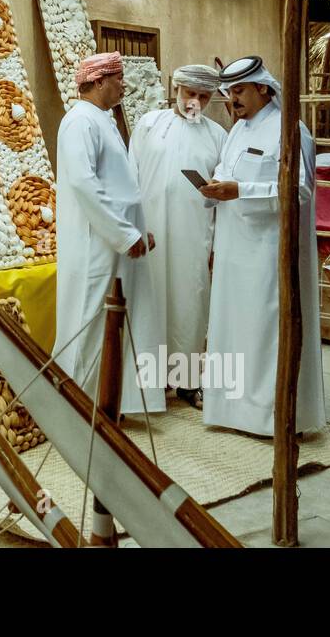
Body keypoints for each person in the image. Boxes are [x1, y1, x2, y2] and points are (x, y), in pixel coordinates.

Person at [199, 56, 326, 436]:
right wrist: (215, 187)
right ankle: (231, 413)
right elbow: (227, 173)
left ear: (262, 88)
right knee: (233, 329)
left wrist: (243, 191)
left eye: (239, 91)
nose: (232, 99)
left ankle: (273, 420)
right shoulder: (238, 130)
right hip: (234, 250)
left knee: (266, 334)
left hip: (269, 253)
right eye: (229, 92)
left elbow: (300, 190)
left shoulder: (290, 130)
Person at [54, 51, 164, 415]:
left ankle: (107, 407)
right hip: (95, 249)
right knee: (88, 328)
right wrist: (123, 234)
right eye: (118, 78)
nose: (123, 85)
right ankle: (74, 412)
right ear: (99, 81)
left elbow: (119, 185)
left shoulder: (102, 120)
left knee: (113, 328)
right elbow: (86, 185)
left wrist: (137, 231)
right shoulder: (79, 122)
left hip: (115, 245)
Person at [128, 65, 227, 408]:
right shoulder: (149, 124)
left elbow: (223, 198)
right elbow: (131, 177)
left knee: (190, 305)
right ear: (176, 87)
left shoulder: (218, 136)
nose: (195, 101)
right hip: (150, 232)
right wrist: (132, 228)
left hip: (195, 236)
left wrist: (216, 244)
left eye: (203, 96)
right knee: (150, 301)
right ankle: (148, 383)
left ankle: (186, 382)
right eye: (190, 93)